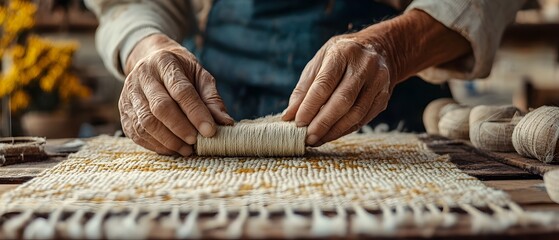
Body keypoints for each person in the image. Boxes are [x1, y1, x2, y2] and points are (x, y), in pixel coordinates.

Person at [86, 0, 524, 156]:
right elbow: (129, 4)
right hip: (212, 110)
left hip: (389, 112)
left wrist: (394, 47)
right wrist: (146, 47)